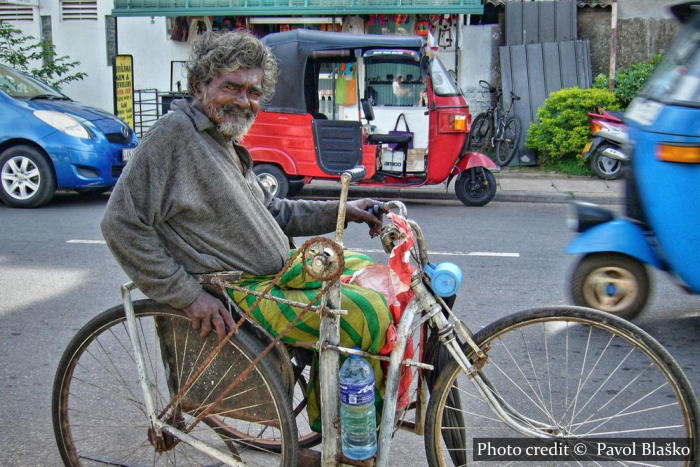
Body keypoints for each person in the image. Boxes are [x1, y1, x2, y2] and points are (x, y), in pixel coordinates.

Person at [100, 30, 391, 432]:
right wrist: (187, 296)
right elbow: (120, 223)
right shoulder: (175, 135)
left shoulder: (224, 140)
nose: (244, 100)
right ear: (200, 85)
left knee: (377, 282)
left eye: (253, 91)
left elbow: (274, 212)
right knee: (362, 314)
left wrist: (346, 210)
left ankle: (343, 416)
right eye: (231, 87)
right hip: (241, 290)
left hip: (282, 274)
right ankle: (343, 435)